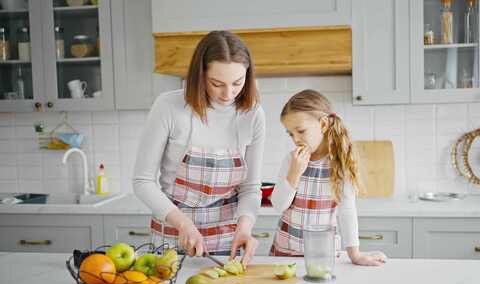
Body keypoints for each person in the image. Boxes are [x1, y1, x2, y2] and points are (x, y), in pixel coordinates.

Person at [132, 31, 265, 266]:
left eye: (237, 83)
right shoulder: (169, 106)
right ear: (200, 75)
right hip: (173, 234)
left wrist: (245, 227)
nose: (228, 94)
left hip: (227, 240)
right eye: (217, 83)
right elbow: (143, 181)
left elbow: (251, 187)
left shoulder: (253, 114)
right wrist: (183, 224)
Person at [269, 89, 386, 266]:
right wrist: (294, 172)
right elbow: (278, 205)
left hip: (324, 256)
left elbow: (347, 210)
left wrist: (355, 255)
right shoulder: (291, 160)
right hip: (285, 254)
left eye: (301, 131)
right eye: (291, 134)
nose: (295, 139)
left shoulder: (340, 163)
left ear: (323, 125)